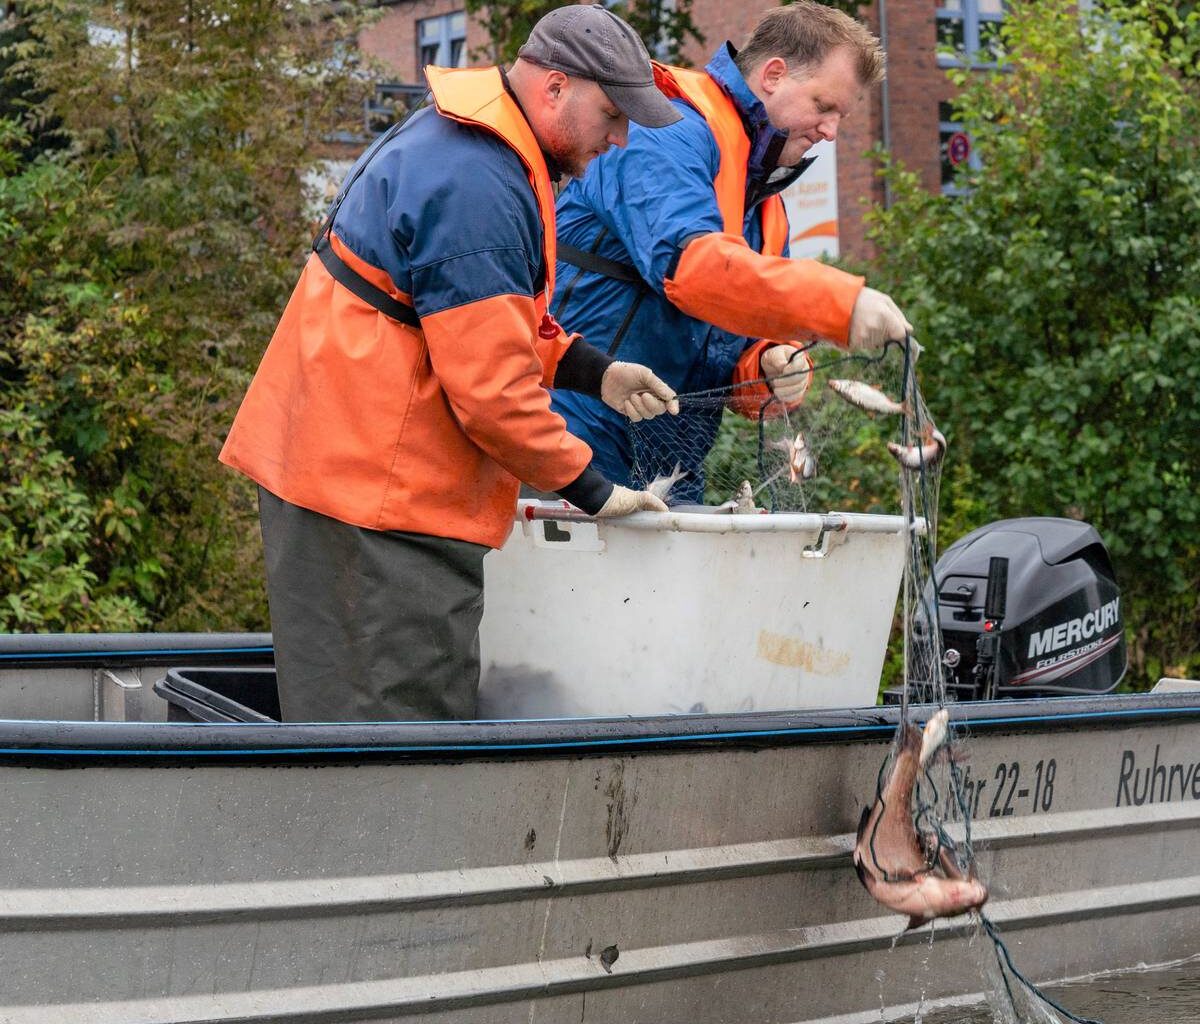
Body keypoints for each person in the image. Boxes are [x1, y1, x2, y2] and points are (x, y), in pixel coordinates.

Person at [219, 5, 685, 723]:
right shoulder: (480, 182)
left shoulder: (470, 146)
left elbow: (469, 323)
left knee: (348, 730)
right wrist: (594, 489)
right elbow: (493, 394)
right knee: (399, 739)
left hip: (341, 476)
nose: (619, 137)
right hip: (374, 504)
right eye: (612, 114)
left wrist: (594, 372)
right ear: (555, 87)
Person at [549, 2, 913, 503]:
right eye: (824, 106)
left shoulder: (762, 202)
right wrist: (840, 305)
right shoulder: (667, 131)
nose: (831, 131)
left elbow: (740, 346)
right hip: (570, 443)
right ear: (773, 75)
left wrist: (769, 367)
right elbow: (692, 270)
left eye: (840, 117)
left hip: (671, 464)